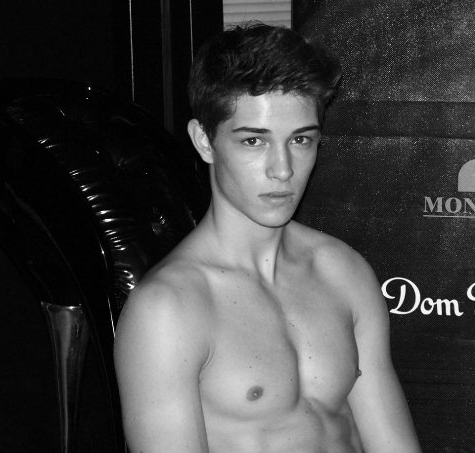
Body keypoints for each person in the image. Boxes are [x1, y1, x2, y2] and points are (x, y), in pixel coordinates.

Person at [114, 23, 422, 453]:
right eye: (254, 141)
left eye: (301, 140)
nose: (283, 169)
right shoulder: (168, 309)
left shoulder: (344, 272)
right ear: (204, 141)